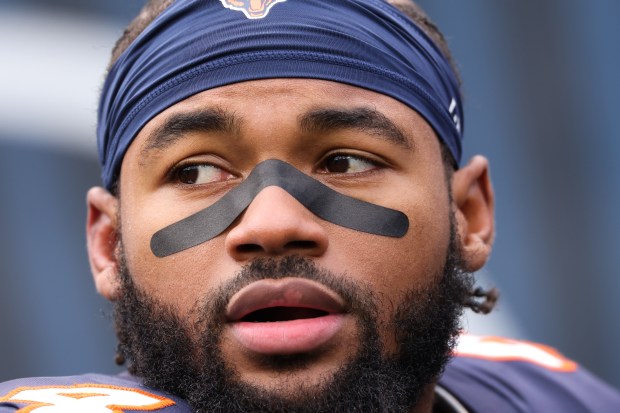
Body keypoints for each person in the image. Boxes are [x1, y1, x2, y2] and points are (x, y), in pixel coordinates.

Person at [1, 0, 619, 411]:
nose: (272, 223)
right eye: (196, 171)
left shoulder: (551, 395)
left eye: (346, 162)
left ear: (470, 217)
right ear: (109, 245)